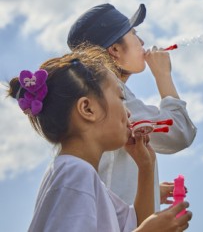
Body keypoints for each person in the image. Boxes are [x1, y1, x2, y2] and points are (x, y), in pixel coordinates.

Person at [7, 45, 192, 232]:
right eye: (121, 98)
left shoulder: (83, 177)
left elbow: (135, 225)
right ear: (88, 109)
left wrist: (146, 167)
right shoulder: (75, 174)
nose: (127, 111)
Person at [67, 3, 197, 208]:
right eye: (135, 34)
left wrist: (150, 191)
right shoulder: (112, 97)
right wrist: (163, 75)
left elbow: (110, 171)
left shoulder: (93, 94)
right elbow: (179, 134)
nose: (143, 41)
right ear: (115, 50)